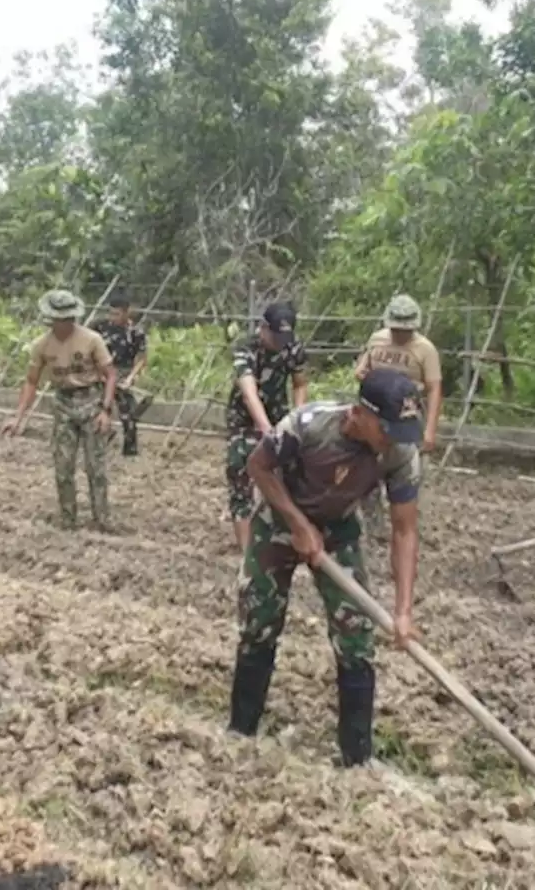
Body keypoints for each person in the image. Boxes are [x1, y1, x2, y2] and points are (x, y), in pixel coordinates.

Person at [227, 367, 424, 768]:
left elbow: (405, 531)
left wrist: (403, 611)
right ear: (359, 414)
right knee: (259, 619)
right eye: (385, 429)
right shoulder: (308, 426)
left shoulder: (401, 452)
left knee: (356, 633)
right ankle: (240, 732)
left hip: (339, 530)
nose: (393, 441)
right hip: (278, 523)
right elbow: (258, 467)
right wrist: (298, 525)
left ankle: (357, 758)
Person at [2, 289, 119, 531]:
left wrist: (105, 410)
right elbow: (31, 381)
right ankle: (68, 519)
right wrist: (18, 416)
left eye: (68, 318)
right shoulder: (42, 345)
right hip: (63, 404)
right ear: (51, 319)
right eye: (59, 319)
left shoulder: (91, 339)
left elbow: (110, 375)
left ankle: (102, 519)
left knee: (95, 467)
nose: (64, 323)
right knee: (63, 467)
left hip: (91, 401)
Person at [225, 301, 309, 552]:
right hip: (243, 420)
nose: (281, 342)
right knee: (241, 474)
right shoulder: (246, 349)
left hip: (279, 416)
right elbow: (249, 392)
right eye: (276, 336)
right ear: (263, 328)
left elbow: (299, 383)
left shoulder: (293, 348)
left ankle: (284, 536)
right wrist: (266, 430)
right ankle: (246, 552)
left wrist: (297, 416)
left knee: (288, 476)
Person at [354, 294, 443, 454]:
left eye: (405, 331)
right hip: (374, 412)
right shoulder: (377, 339)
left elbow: (434, 389)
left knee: (407, 464)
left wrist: (430, 431)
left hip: (406, 415)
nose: (400, 334)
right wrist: (361, 370)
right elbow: (363, 364)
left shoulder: (425, 349)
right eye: (396, 330)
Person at [94, 289, 149, 457]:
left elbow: (141, 358)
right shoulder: (100, 327)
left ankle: (130, 451)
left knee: (128, 415)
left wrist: (131, 378)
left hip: (123, 373)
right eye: (111, 313)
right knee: (98, 409)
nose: (113, 318)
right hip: (102, 372)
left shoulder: (136, 332)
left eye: (117, 314)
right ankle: (101, 440)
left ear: (126, 313)